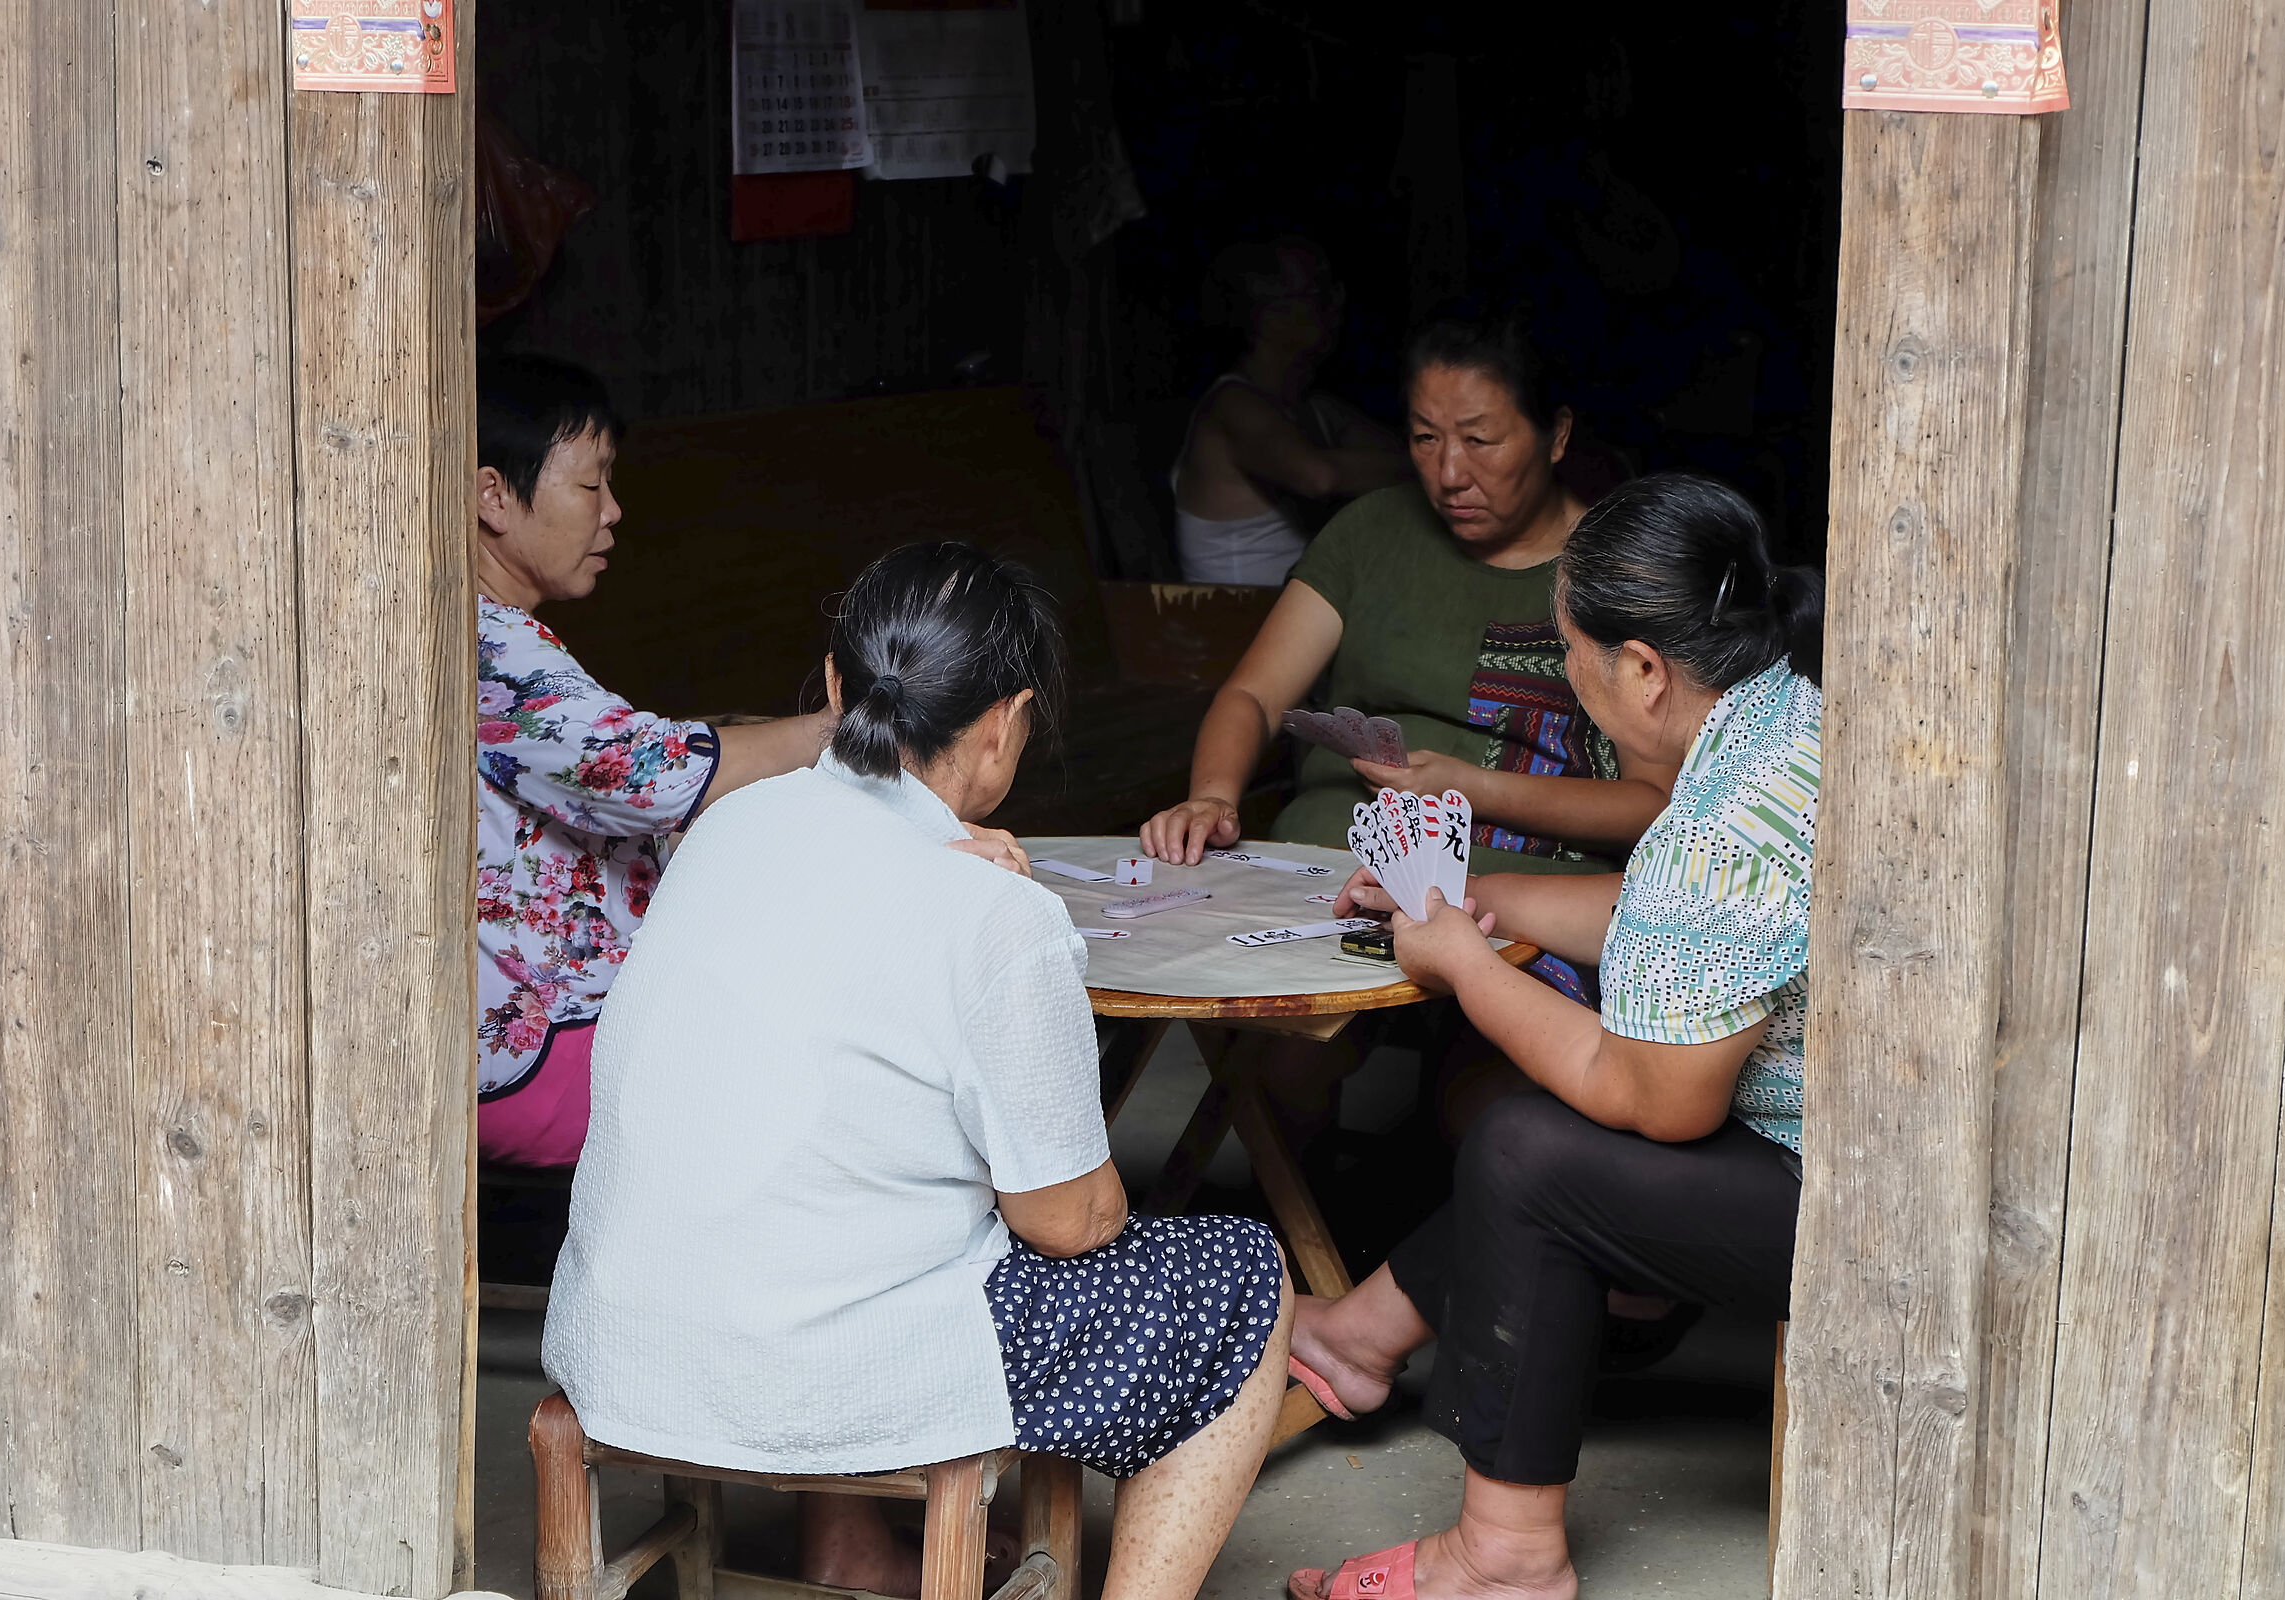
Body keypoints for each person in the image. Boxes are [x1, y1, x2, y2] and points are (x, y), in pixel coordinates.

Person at [542, 542, 1294, 1600]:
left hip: (621, 1337)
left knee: (846, 1183)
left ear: (841, 686)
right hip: (818, 1368)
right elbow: (1066, 1221)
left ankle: (847, 1547)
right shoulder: (996, 913)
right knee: (1242, 1279)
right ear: (1004, 720)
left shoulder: (722, 828)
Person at [1282, 474, 1822, 1600]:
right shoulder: (1786, 720)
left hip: (1841, 1199)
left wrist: (1465, 967)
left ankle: (1503, 1558)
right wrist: (1471, 902)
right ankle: (1362, 1335)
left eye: (1574, 655)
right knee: (1536, 1142)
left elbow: (1652, 1097)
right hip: (1847, 1140)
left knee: (1529, 1156)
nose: (1572, 687)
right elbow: (1668, 923)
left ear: (1642, 669)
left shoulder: (1716, 829)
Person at [1143, 309, 1680, 999]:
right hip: (1325, 871)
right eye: (1425, 438)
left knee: (1465, 1075)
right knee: (1246, 1016)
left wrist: (1468, 787)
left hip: (1516, 895)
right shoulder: (1370, 533)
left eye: (1480, 440)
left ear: (1558, 436)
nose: (1450, 472)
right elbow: (1253, 694)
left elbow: (1651, 804)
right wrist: (1211, 797)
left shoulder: (1613, 571)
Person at [471, 353, 835, 1169]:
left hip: (561, 1031)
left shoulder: (486, 629)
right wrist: (837, 731)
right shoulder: (486, 643)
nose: (614, 512)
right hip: (553, 1051)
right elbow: (647, 777)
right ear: (493, 495)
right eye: (591, 485)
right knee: (846, 1051)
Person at [1170, 237, 1407, 585]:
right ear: (1267, 315)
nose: (1337, 304)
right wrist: (1443, 463)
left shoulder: (1316, 409)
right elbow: (1318, 476)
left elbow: (1403, 455)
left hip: (1295, 620)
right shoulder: (1231, 404)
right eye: (1319, 293)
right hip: (1235, 627)